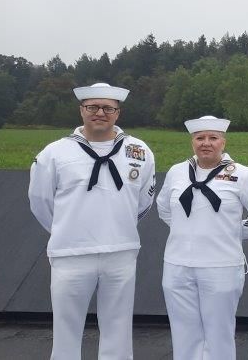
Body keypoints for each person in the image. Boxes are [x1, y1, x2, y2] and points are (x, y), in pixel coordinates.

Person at [28, 82, 156, 359]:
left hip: (121, 252)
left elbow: (144, 200)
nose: (100, 112)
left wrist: (119, 225)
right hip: (71, 254)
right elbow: (40, 202)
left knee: (118, 329)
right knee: (66, 330)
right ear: (81, 110)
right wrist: (67, 229)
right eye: (93, 107)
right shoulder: (55, 153)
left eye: (108, 108)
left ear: (118, 113)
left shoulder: (139, 151)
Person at [156, 115, 248, 359]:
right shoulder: (177, 172)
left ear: (223, 143)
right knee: (183, 331)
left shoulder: (242, 174)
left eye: (213, 138)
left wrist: (232, 233)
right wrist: (187, 230)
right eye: (200, 138)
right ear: (192, 142)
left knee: (219, 333)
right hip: (177, 265)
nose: (206, 143)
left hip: (221, 265)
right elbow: (164, 207)